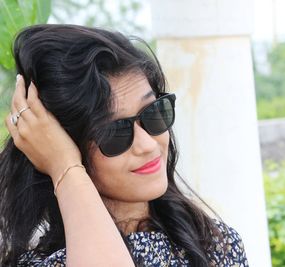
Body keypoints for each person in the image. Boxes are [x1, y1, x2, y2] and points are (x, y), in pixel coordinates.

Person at [0, 24, 249, 267]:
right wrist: (64, 166)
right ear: (60, 143)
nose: (147, 144)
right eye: (114, 131)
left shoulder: (217, 245)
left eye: (153, 113)